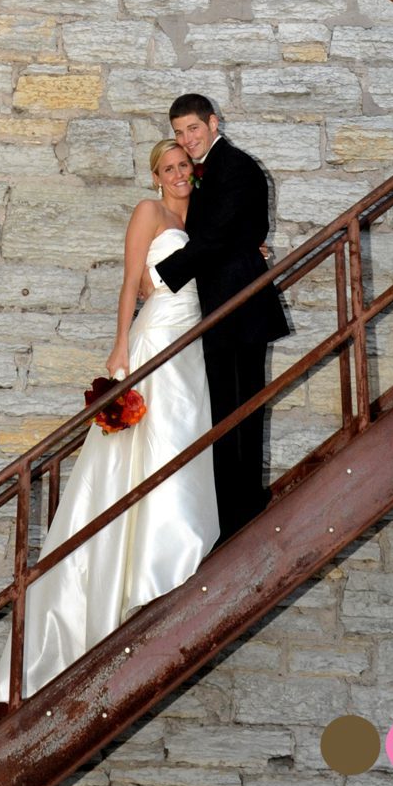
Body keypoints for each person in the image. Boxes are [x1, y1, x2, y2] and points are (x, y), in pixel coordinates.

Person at [0, 139, 218, 702]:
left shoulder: (201, 219)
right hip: (157, 335)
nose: (178, 174)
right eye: (168, 168)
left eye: (184, 166)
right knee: (151, 443)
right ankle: (139, 571)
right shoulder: (150, 212)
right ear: (156, 176)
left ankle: (166, 551)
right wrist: (119, 346)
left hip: (192, 341)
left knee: (184, 436)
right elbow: (130, 281)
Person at [154, 92, 289, 541]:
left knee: (240, 408)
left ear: (213, 123)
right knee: (224, 410)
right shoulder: (204, 171)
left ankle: (242, 511)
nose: (187, 139)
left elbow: (213, 238)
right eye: (179, 132)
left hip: (239, 309)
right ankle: (230, 509)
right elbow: (225, 233)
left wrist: (160, 277)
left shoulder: (236, 167)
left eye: (193, 128)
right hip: (218, 308)